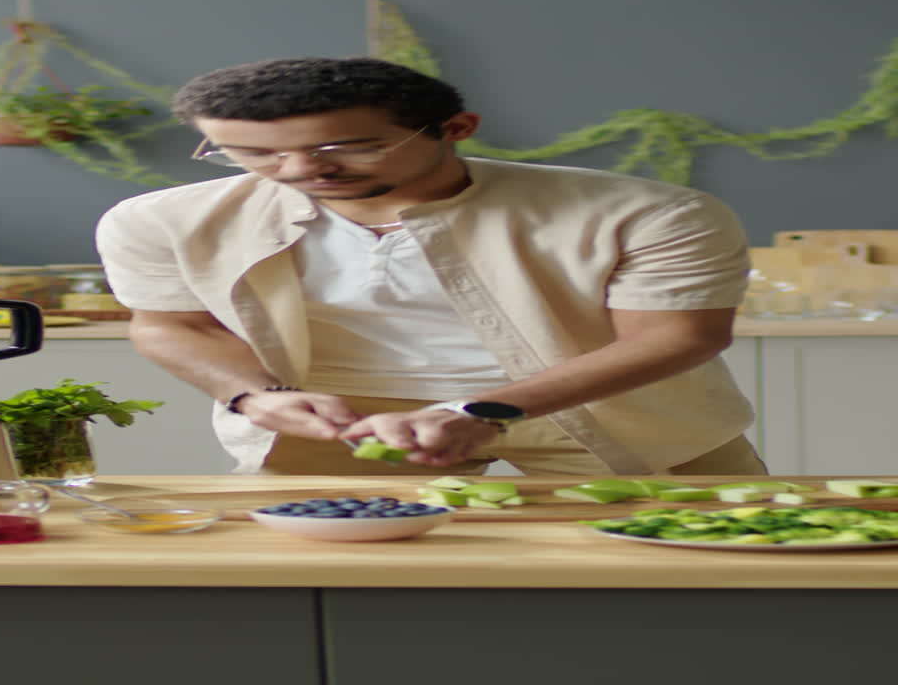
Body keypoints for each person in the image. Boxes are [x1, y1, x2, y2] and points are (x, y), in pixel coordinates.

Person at [95, 56, 765, 477]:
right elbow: (172, 325)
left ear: (457, 126)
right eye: (252, 154)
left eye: (348, 147)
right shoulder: (160, 220)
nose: (300, 171)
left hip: (621, 417)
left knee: (715, 577)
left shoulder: (646, 211)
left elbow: (676, 338)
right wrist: (255, 397)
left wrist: (483, 409)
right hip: (344, 429)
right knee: (345, 598)